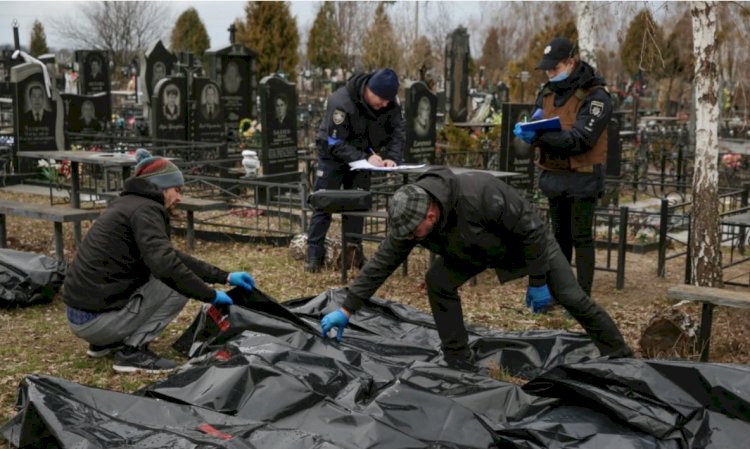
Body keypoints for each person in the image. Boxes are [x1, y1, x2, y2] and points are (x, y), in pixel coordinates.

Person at [320, 167, 633, 371]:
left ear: (431, 213)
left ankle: (621, 356)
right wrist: (347, 310)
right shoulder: (412, 218)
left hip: (527, 243)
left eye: (416, 232)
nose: (413, 239)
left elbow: (533, 231)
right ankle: (458, 360)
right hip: (472, 249)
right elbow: (381, 264)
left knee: (572, 297)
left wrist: (538, 279)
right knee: (438, 281)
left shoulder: (479, 194)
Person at [62, 148, 257, 373]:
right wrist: (211, 295)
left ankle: (104, 344)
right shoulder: (146, 210)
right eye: (177, 189)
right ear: (161, 188)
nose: (180, 197)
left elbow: (170, 256)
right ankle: (132, 352)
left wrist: (224, 276)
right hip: (95, 322)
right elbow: (167, 267)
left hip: (82, 315)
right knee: (175, 285)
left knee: (170, 274)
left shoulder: (128, 204)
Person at [514, 37, 611, 296]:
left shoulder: (596, 95)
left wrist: (538, 136)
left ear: (570, 61)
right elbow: (537, 117)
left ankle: (583, 296)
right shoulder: (547, 93)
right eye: (547, 69)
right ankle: (561, 291)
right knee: (559, 238)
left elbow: (582, 139)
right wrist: (528, 128)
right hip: (554, 175)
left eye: (554, 68)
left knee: (581, 237)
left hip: (583, 177)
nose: (550, 73)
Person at [304, 68, 405, 273]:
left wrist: (391, 158)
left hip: (364, 158)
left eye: (388, 100)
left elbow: (398, 131)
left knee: (358, 204)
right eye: (381, 99)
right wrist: (365, 158)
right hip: (333, 156)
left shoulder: (390, 104)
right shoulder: (341, 102)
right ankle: (314, 254)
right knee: (324, 201)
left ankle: (353, 254)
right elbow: (334, 141)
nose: (384, 104)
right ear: (369, 89)